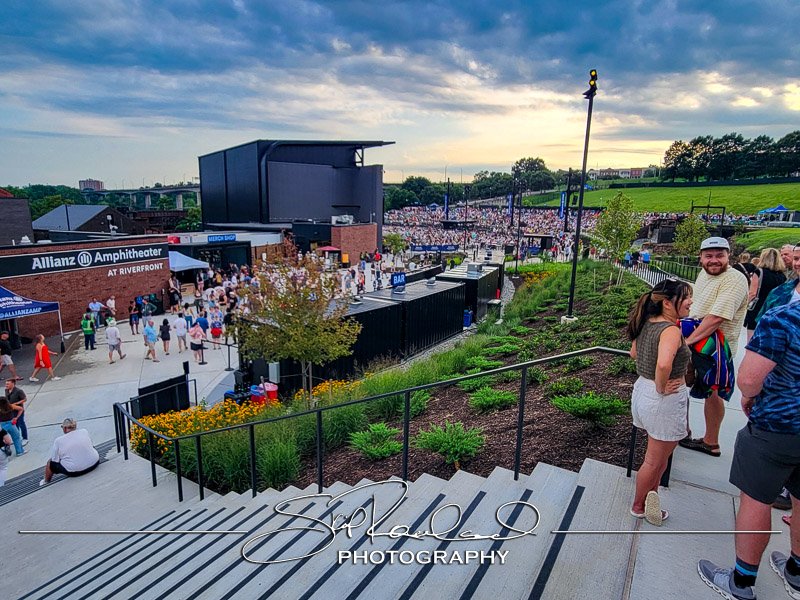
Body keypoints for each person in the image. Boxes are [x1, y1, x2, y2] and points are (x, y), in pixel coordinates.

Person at [697, 299, 800, 600]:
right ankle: (795, 570)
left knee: (756, 499)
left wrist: (750, 397)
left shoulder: (784, 318)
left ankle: (741, 582)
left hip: (779, 426)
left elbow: (749, 380)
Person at [627, 279, 693, 526]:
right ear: (667, 303)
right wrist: (661, 386)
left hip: (643, 391)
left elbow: (634, 353)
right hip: (662, 398)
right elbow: (664, 364)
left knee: (658, 457)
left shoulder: (646, 322)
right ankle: (639, 506)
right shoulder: (671, 330)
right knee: (654, 460)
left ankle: (650, 498)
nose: (690, 301)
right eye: (685, 297)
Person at [679, 237, 749, 457]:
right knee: (686, 383)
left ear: (729, 256)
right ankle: (684, 431)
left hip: (717, 346)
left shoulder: (735, 280)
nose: (714, 260)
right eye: (709, 256)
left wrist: (685, 344)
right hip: (698, 339)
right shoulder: (704, 274)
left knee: (713, 391)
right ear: (701, 257)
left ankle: (711, 441)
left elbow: (716, 318)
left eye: (720, 255)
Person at [40, 418, 100, 485]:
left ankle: (45, 481)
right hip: (95, 462)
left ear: (65, 428)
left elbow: (54, 460)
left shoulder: (58, 441)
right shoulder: (84, 431)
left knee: (50, 463)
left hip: (76, 471)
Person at [744, 248, 786, 343]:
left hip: (757, 309)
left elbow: (752, 293)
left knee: (752, 341)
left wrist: (745, 306)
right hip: (774, 310)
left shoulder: (759, 272)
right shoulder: (782, 276)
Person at [5, 378, 28, 447]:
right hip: (11, 410)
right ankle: (16, 438)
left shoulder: (19, 391)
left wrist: (17, 403)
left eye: (8, 384)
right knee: (15, 424)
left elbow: (25, 399)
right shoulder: (6, 390)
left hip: (18, 410)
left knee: (21, 423)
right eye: (6, 384)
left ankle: (25, 438)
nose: (6, 385)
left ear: (13, 383)